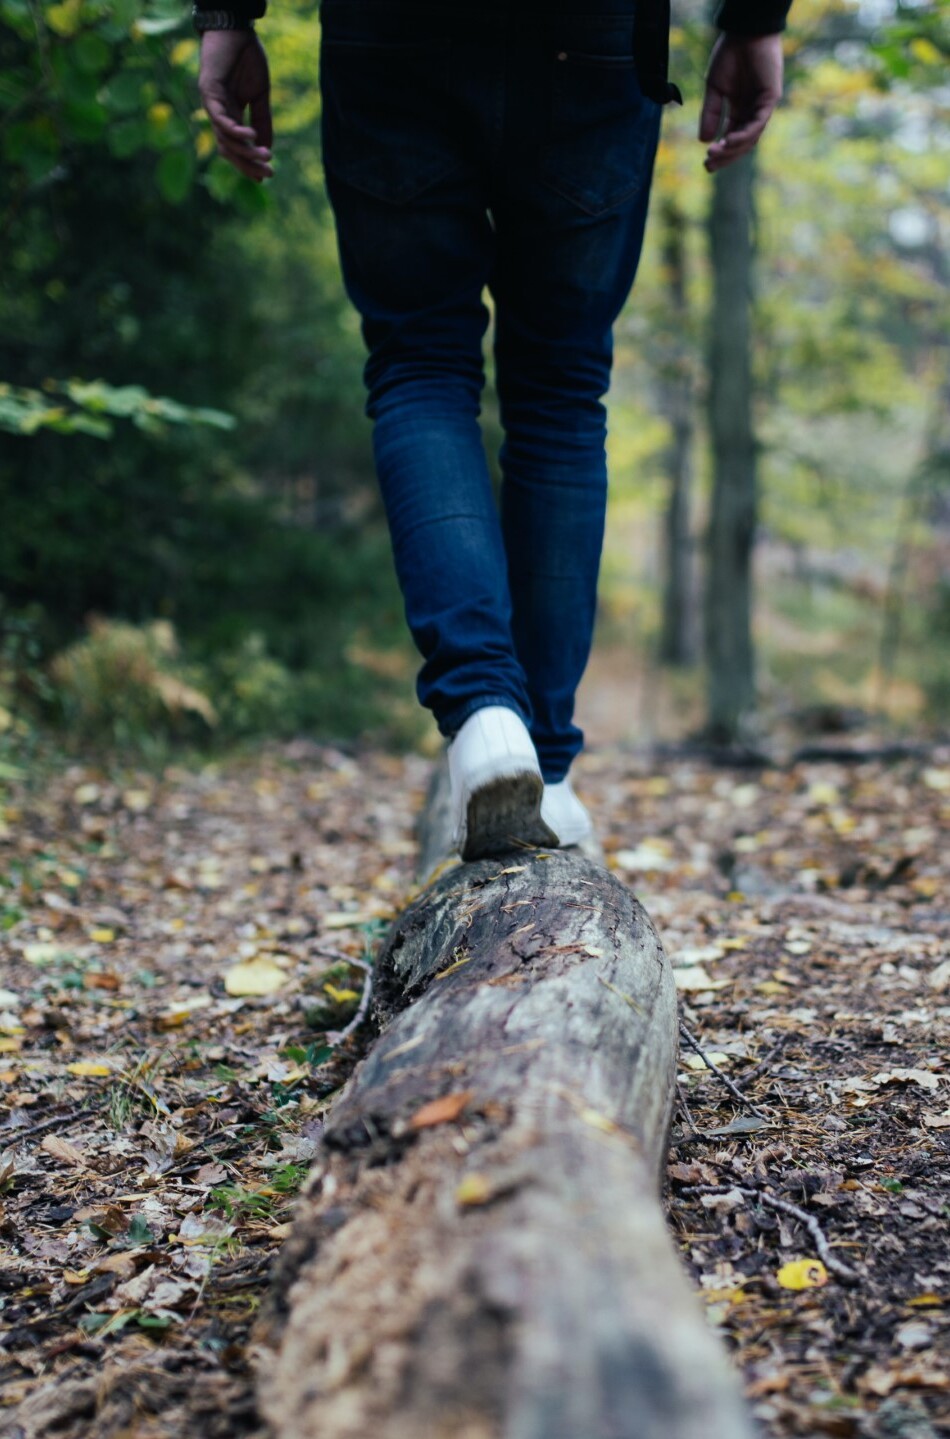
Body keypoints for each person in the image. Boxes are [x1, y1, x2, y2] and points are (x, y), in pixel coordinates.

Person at [196, 0, 790, 860]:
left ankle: (485, 720)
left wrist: (224, 15)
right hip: (590, 36)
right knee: (559, 392)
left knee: (420, 365)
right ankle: (543, 768)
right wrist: (755, 20)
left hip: (388, 33)